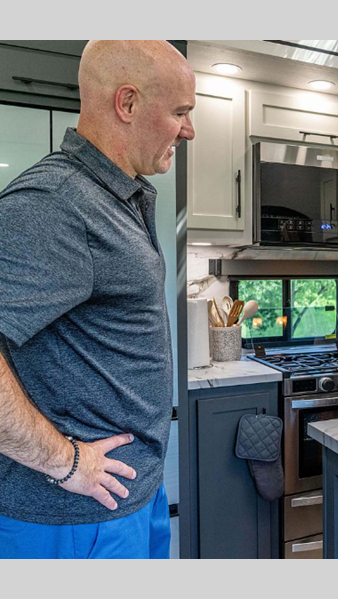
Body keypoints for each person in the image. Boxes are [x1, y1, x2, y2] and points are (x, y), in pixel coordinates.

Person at [0, 40, 196, 558]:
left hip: (129, 498)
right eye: (180, 112)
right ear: (127, 103)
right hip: (71, 517)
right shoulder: (56, 203)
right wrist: (64, 462)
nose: (189, 130)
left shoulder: (115, 198)